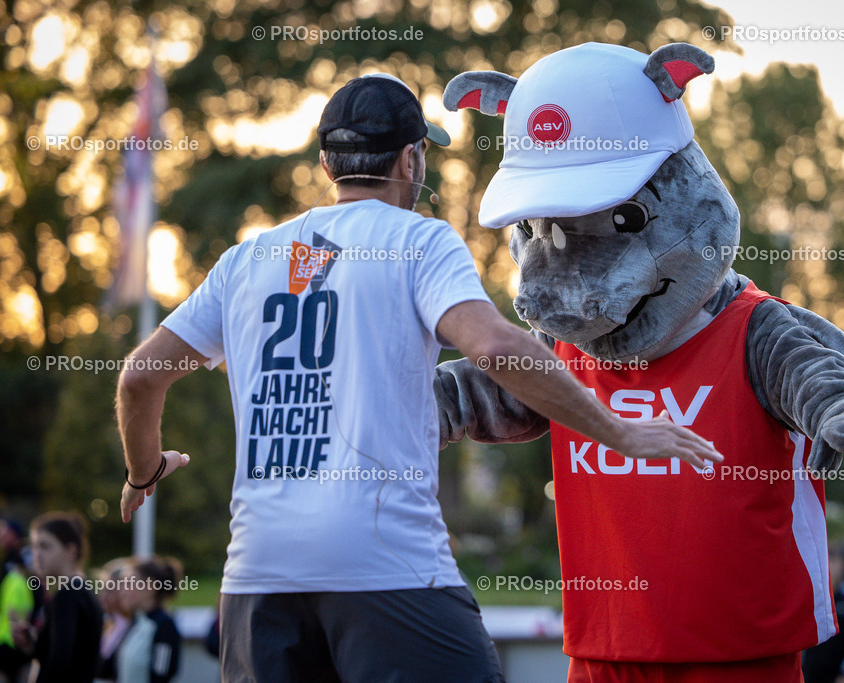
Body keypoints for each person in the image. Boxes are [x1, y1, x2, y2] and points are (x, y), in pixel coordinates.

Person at [114, 72, 721, 682]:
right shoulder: (418, 241)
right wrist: (620, 432)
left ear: (327, 163)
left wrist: (145, 471)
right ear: (411, 159)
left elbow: (140, 377)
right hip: (385, 567)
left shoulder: (247, 260)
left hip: (256, 580)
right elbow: (495, 347)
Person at [13, 512, 102, 683]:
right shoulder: (79, 590)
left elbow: (59, 665)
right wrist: (33, 642)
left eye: (45, 546)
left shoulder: (68, 595)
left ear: (71, 551)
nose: (37, 554)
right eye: (34, 547)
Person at [802, 544, 844, 683]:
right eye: (825, 560)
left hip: (839, 672)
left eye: (833, 561)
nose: (829, 566)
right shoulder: (813, 592)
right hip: (810, 670)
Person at [116, 556, 182, 683]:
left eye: (130, 583)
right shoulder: (137, 621)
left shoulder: (164, 626)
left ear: (151, 587)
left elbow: (161, 675)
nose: (122, 591)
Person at [0, 518, 35, 681]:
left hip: (13, 642)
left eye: (3, 531)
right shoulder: (7, 561)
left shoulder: (19, 562)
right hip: (9, 641)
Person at [95, 559, 132, 683]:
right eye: (103, 590)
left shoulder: (129, 628)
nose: (103, 597)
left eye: (110, 590)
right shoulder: (110, 625)